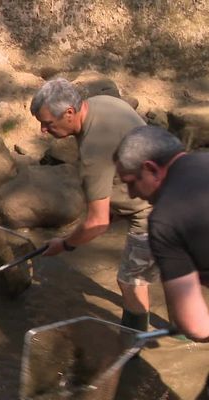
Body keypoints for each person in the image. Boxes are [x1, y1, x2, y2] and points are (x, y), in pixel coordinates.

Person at [30, 78, 158, 331]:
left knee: (131, 281)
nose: (43, 130)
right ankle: (189, 331)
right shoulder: (104, 103)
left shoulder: (94, 148)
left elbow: (98, 222)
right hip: (177, 191)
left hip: (154, 212)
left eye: (47, 123)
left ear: (69, 113)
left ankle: (132, 350)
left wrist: (65, 244)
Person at [115, 126, 209, 400]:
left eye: (131, 182)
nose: (131, 194)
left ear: (151, 169)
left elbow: (195, 325)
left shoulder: (165, 219)